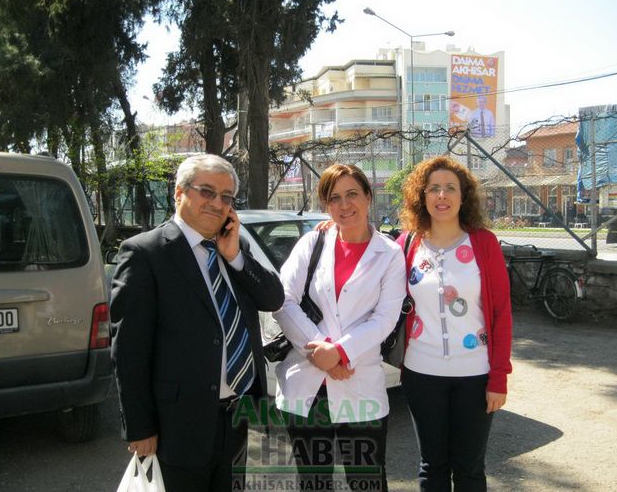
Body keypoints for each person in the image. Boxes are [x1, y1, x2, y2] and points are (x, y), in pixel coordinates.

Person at [110, 154, 284, 491]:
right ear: (179, 193)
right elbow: (129, 351)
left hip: (235, 419)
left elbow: (273, 298)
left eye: (226, 197)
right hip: (177, 425)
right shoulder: (145, 253)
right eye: (207, 192)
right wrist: (139, 427)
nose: (217, 203)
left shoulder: (234, 245)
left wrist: (234, 256)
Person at [273, 164, 406, 492]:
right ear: (326, 205)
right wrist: (323, 350)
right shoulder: (311, 243)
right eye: (334, 198)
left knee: (367, 481)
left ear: (368, 197)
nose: (344, 205)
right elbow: (283, 300)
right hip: (307, 383)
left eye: (352, 195)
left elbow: (385, 318)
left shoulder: (389, 254)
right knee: (314, 482)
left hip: (360, 383)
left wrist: (341, 352)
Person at [398, 155, 512, 491]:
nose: (442, 196)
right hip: (422, 373)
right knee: (431, 468)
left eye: (450, 188)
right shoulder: (406, 245)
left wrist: (499, 377)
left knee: (470, 469)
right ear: (422, 196)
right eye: (433, 188)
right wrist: (334, 227)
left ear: (464, 197)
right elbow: (366, 249)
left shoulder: (484, 243)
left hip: (475, 376)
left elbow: (501, 313)